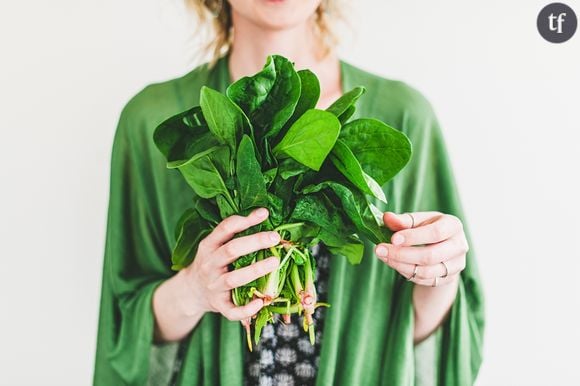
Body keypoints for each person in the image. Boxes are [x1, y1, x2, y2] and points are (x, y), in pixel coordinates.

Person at [93, 1, 485, 385]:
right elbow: (123, 331)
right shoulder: (151, 119)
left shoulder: (405, 115)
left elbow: (429, 345)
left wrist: (439, 273)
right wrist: (194, 289)